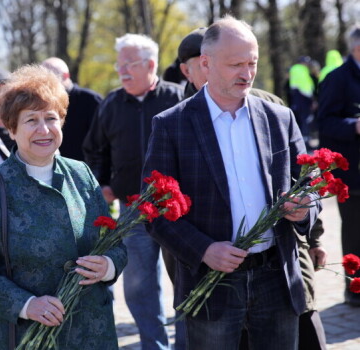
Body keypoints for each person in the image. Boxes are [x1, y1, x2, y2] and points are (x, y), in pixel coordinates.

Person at [142, 16, 321, 349]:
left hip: (276, 278)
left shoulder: (279, 118)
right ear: (205, 64)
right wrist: (205, 249)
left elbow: (309, 185)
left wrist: (304, 209)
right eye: (236, 64)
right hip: (212, 284)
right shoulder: (172, 125)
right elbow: (154, 212)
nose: (247, 73)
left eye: (252, 62)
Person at [0, 65, 127, 349]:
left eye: (51, 118)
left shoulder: (82, 175)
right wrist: (26, 305)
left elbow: (115, 243)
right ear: (11, 129)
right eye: (31, 120)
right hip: (30, 335)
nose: (44, 129)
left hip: (92, 332)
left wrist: (108, 266)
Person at [83, 33, 183, 350]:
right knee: (138, 284)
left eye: (129, 64)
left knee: (185, 279)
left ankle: (187, 343)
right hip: (132, 210)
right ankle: (155, 345)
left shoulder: (177, 98)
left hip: (177, 210)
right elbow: (93, 149)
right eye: (119, 64)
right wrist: (104, 184)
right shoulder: (111, 103)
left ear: (151, 64)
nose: (121, 71)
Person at [318, 24, 360, 307]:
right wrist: (354, 125)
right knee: (356, 232)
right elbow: (324, 122)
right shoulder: (337, 78)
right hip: (354, 175)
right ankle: (354, 289)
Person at [41, 57, 102, 161]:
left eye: (51, 77)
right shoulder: (41, 103)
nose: (46, 83)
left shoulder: (90, 100)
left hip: (86, 169)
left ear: (65, 76)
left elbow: (103, 141)